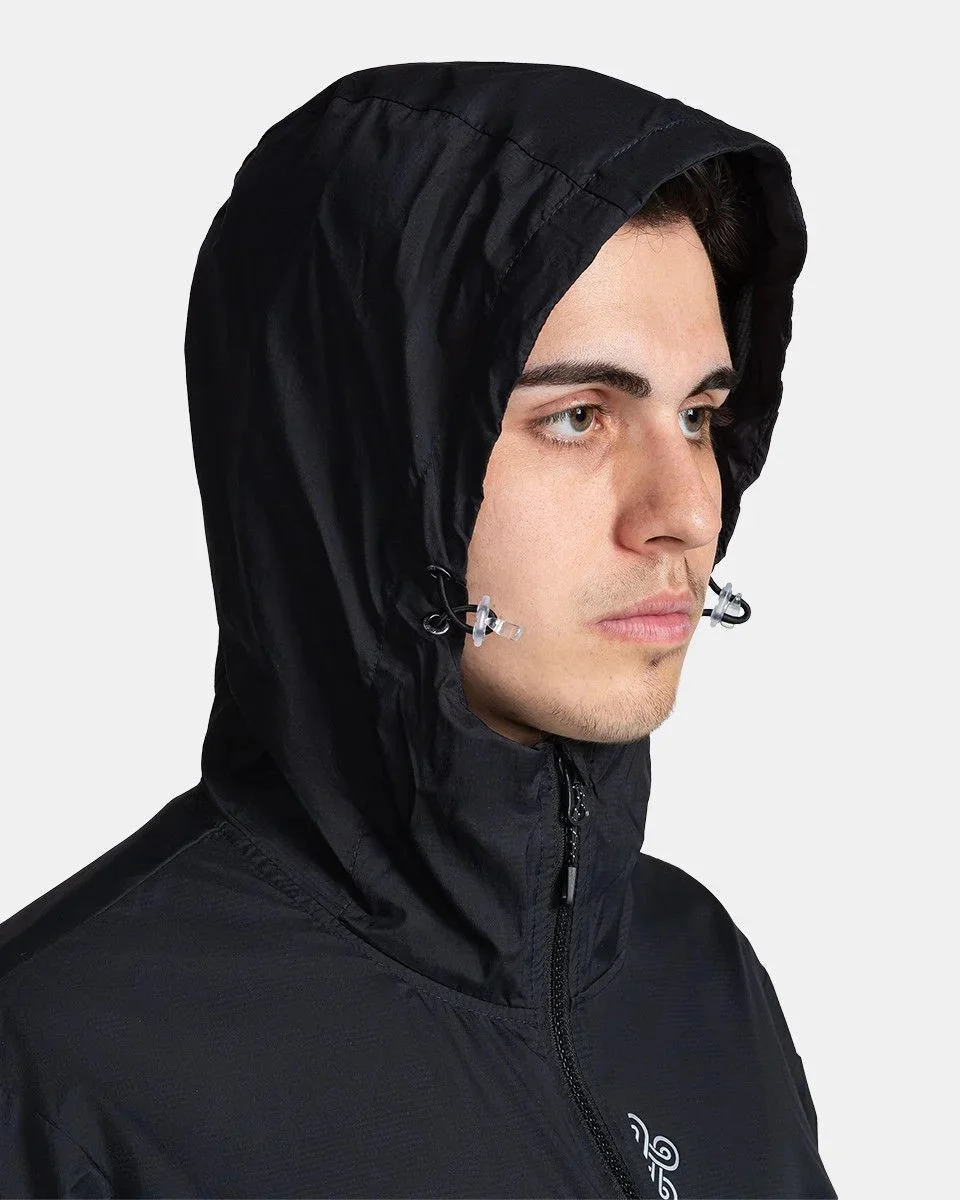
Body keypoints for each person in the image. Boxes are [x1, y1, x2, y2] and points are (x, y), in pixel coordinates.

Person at [0, 60, 836, 1198]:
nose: (686, 512)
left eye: (696, 416)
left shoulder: (693, 971)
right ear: (359, 459)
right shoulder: (62, 1071)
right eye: (578, 417)